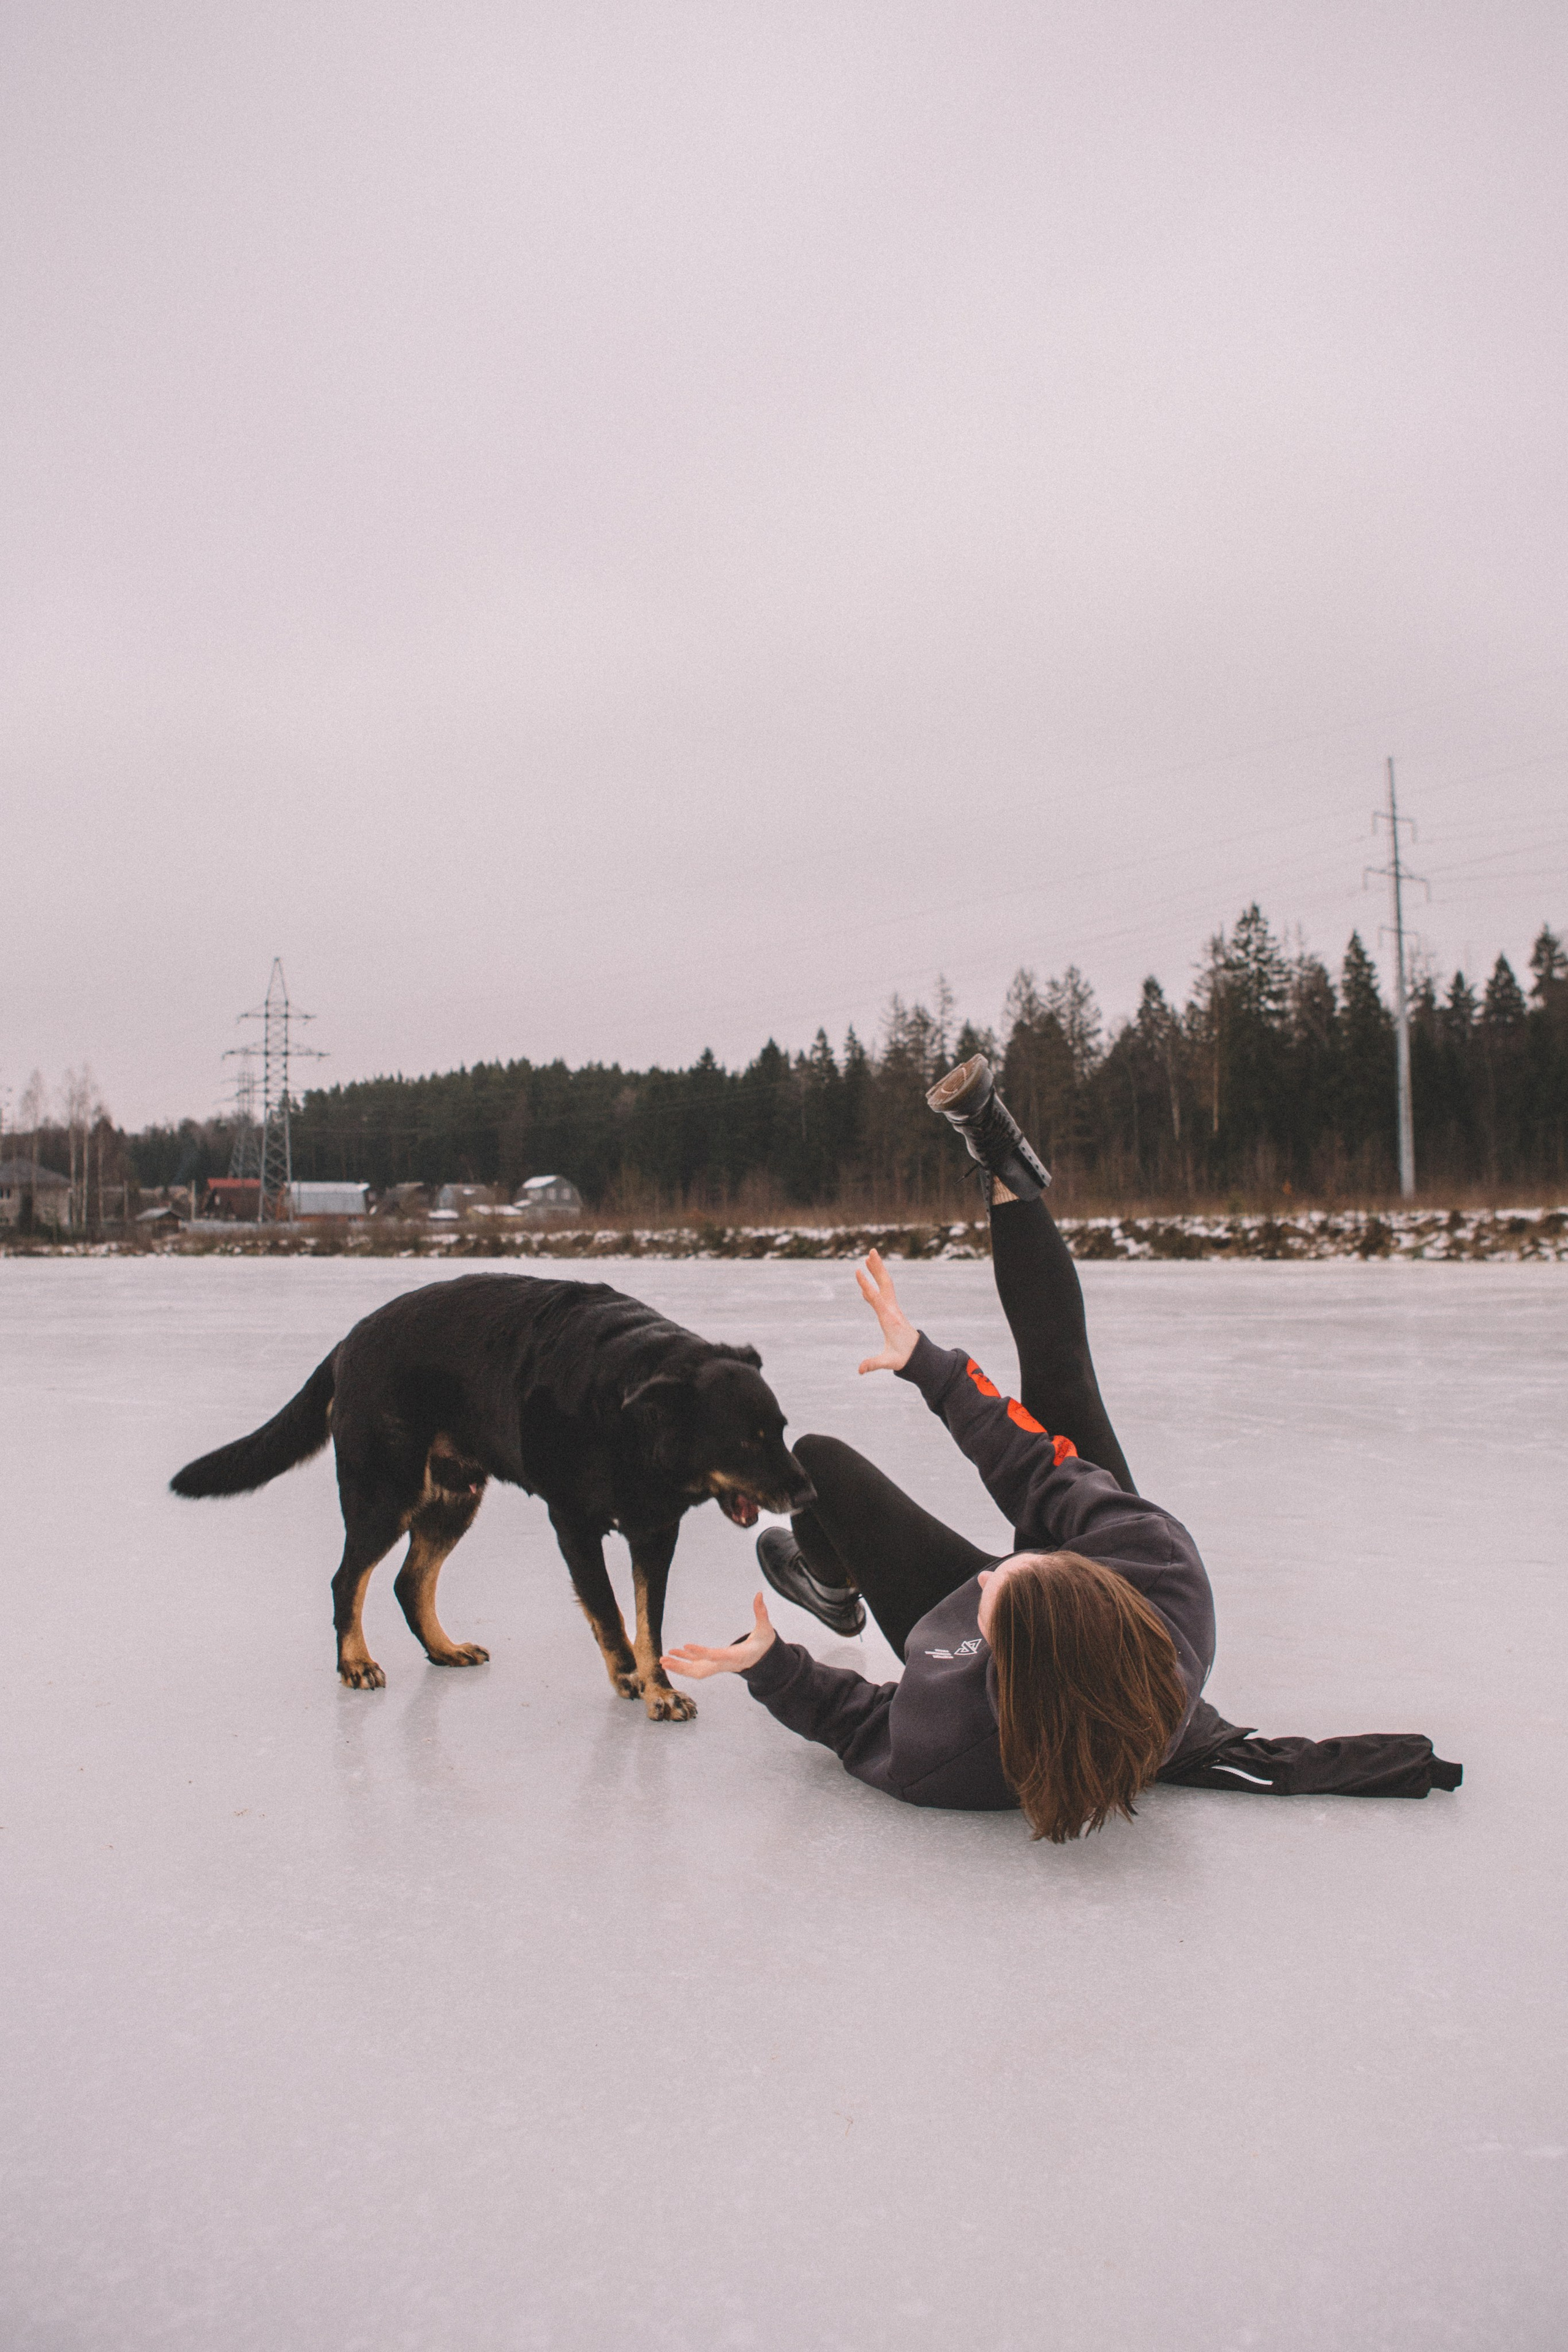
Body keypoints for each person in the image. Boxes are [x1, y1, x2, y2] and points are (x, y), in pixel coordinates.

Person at [663, 1056, 1461, 1839]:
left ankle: (840, 1589)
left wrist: (773, 1665)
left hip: (997, 1669)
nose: (995, 1565)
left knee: (823, 1466)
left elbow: (863, 1722)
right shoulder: (1159, 1571)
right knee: (1062, 1392)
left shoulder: (960, 1746)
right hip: (1103, 1602)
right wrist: (928, 1366)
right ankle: (1000, 1156)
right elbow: (1031, 1467)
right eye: (1028, 1565)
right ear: (1093, 1581)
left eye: (996, 1592)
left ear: (1002, 1674)